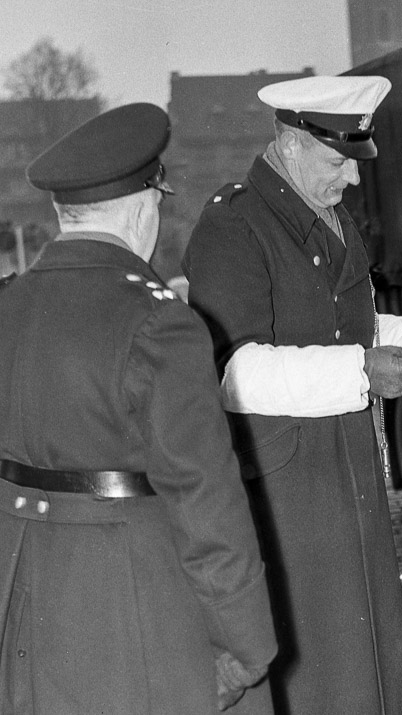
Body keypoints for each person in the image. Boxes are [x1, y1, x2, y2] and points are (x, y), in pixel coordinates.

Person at [0, 103, 277, 714]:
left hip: (27, 608)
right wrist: (248, 649)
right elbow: (206, 500)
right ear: (141, 206)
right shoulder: (160, 323)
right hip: (139, 616)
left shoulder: (11, 306)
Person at [182, 75, 402, 715]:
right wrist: (360, 373)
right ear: (293, 142)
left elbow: (334, 329)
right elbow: (231, 368)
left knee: (367, 661)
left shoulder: (326, 215)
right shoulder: (233, 226)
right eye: (339, 162)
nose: (352, 181)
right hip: (286, 489)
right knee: (318, 668)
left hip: (346, 472)